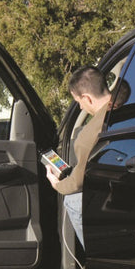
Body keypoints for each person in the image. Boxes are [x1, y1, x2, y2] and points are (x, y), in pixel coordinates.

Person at [45, 66, 111, 247]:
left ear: (86, 98)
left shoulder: (91, 130)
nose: (81, 106)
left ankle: (97, 255)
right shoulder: (123, 107)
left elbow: (79, 181)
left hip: (111, 191)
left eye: (78, 101)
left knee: (73, 200)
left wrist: (57, 184)